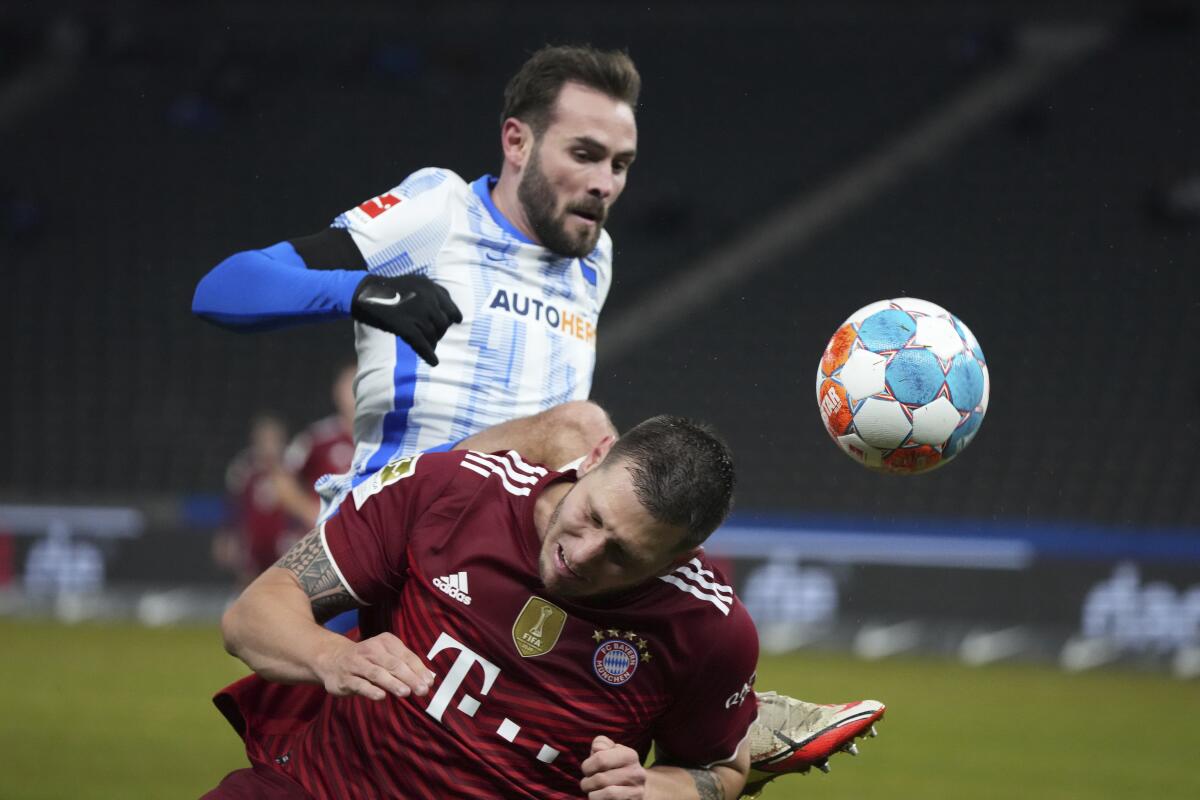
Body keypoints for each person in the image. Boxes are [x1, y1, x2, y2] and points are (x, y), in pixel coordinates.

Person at [192, 44, 882, 793]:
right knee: (586, 433)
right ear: (516, 141)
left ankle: (718, 727)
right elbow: (225, 289)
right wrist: (360, 289)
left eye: (620, 164)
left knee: (648, 513)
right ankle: (740, 730)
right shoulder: (440, 212)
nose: (603, 183)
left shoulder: (594, 259)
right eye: (584, 154)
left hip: (512, 577)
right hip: (406, 546)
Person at [209, 417, 758, 799]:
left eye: (622, 554)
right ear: (593, 459)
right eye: (590, 515)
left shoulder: (709, 629)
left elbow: (722, 771)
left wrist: (651, 788)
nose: (582, 554)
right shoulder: (451, 490)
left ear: (681, 558)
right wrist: (329, 655)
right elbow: (253, 614)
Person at [213, 414, 304, 585]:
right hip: (253, 539)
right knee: (248, 585)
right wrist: (227, 535)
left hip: (284, 537)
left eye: (273, 439)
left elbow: (304, 503)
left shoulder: (293, 466)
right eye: (264, 439)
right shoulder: (244, 467)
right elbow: (233, 505)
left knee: (286, 584)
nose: (269, 444)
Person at [271, 362, 358, 530]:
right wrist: (312, 513)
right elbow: (281, 479)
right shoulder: (318, 438)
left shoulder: (393, 437)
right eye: (350, 385)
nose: (356, 392)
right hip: (328, 542)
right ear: (337, 392)